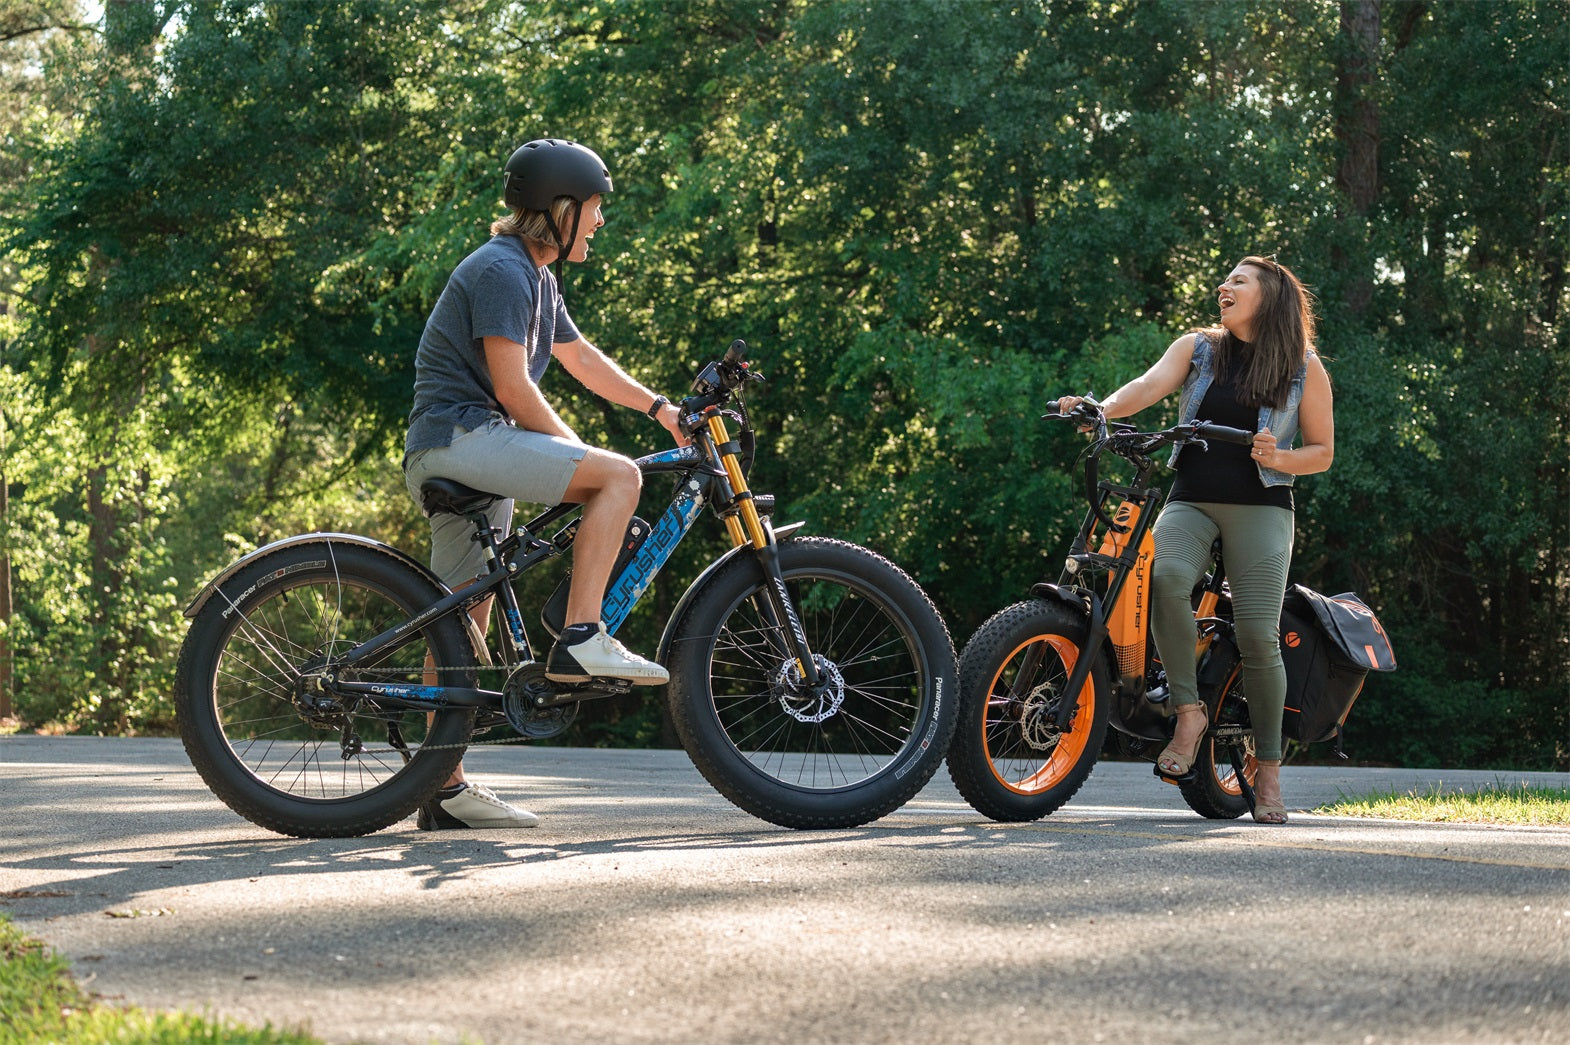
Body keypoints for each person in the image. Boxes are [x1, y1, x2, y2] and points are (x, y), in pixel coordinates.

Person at [401, 138, 684, 829]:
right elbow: (511, 386)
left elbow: (581, 358)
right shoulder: (501, 268)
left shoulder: (539, 278)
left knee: (462, 626)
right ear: (559, 209)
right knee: (618, 478)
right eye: (592, 208)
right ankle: (581, 635)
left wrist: (660, 409)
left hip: (459, 451)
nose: (598, 221)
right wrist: (582, 454)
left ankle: (443, 789)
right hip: (464, 438)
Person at [1057, 255, 1333, 824]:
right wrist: (1100, 409)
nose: (1223, 287)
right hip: (1191, 499)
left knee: (1259, 635)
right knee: (1165, 579)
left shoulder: (1305, 367)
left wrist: (1280, 456)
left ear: (1270, 296)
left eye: (1238, 281)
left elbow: (1322, 452)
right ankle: (1189, 711)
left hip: (1262, 506)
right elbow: (1148, 386)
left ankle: (1270, 773)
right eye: (1225, 280)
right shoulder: (1198, 347)